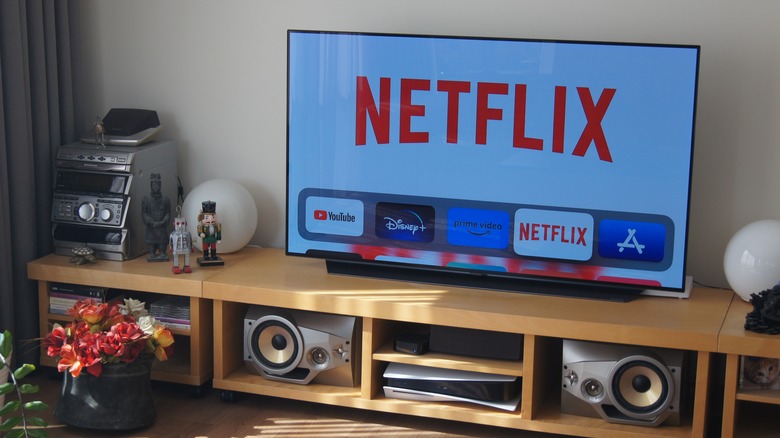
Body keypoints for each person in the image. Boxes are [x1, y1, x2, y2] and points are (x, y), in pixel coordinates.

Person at [141, 173, 171, 261]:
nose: (156, 187)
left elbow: (168, 213)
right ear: (151, 186)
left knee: (162, 248)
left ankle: (162, 252)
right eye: (154, 185)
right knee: (151, 250)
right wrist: (150, 222)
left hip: (162, 228)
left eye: (158, 185)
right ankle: (151, 252)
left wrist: (163, 221)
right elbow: (144, 213)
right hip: (151, 228)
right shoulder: (146, 199)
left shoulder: (165, 199)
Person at [197, 200, 223, 265]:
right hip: (206, 239)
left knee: (213, 247)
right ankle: (206, 256)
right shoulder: (202, 226)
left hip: (213, 239)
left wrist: (219, 239)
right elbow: (199, 232)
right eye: (207, 217)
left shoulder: (216, 226)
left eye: (212, 217)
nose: (210, 219)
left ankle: (213, 255)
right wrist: (201, 234)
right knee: (205, 247)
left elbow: (219, 232)